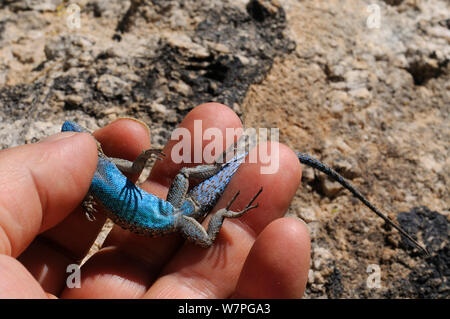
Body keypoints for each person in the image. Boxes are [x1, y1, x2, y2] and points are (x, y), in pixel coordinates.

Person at [0, 103, 310, 298]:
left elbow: (134, 170)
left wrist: (143, 159)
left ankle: (221, 168)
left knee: (183, 176)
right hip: (172, 219)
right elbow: (95, 191)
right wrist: (85, 202)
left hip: (173, 212)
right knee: (201, 236)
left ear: (92, 142)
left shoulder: (98, 166)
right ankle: (225, 208)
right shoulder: (85, 177)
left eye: (84, 136)